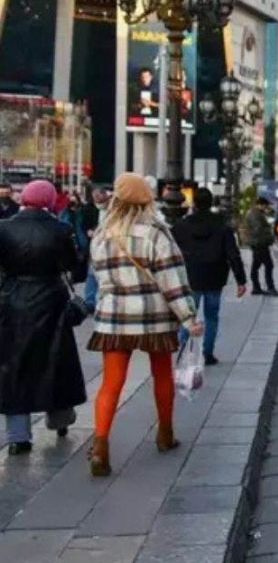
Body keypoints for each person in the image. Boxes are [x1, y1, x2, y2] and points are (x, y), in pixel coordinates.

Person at [86, 173, 202, 476]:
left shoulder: (102, 234)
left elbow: (99, 278)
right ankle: (165, 434)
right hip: (154, 317)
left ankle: (100, 446)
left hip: (114, 318)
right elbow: (172, 279)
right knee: (161, 373)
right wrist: (188, 317)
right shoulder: (156, 234)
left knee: (111, 383)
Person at [0, 180, 86, 454]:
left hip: (13, 301)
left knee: (14, 367)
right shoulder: (61, 229)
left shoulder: (4, 228)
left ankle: (18, 437)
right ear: (49, 200)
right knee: (56, 362)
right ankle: (59, 419)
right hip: (52, 301)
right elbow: (74, 266)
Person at [172, 187, 247, 366]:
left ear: (194, 203)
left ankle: (182, 350)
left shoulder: (181, 226)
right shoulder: (222, 226)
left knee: (188, 316)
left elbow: (171, 251)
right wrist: (241, 280)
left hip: (190, 276)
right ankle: (208, 353)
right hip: (215, 276)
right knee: (212, 316)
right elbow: (233, 254)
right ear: (211, 202)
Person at [245, 197, 278, 296]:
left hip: (258, 244)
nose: (265, 208)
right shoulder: (255, 215)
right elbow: (258, 230)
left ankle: (256, 288)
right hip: (260, 244)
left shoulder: (256, 213)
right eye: (265, 206)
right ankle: (270, 288)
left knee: (256, 266)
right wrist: (268, 238)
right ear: (260, 205)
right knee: (269, 265)